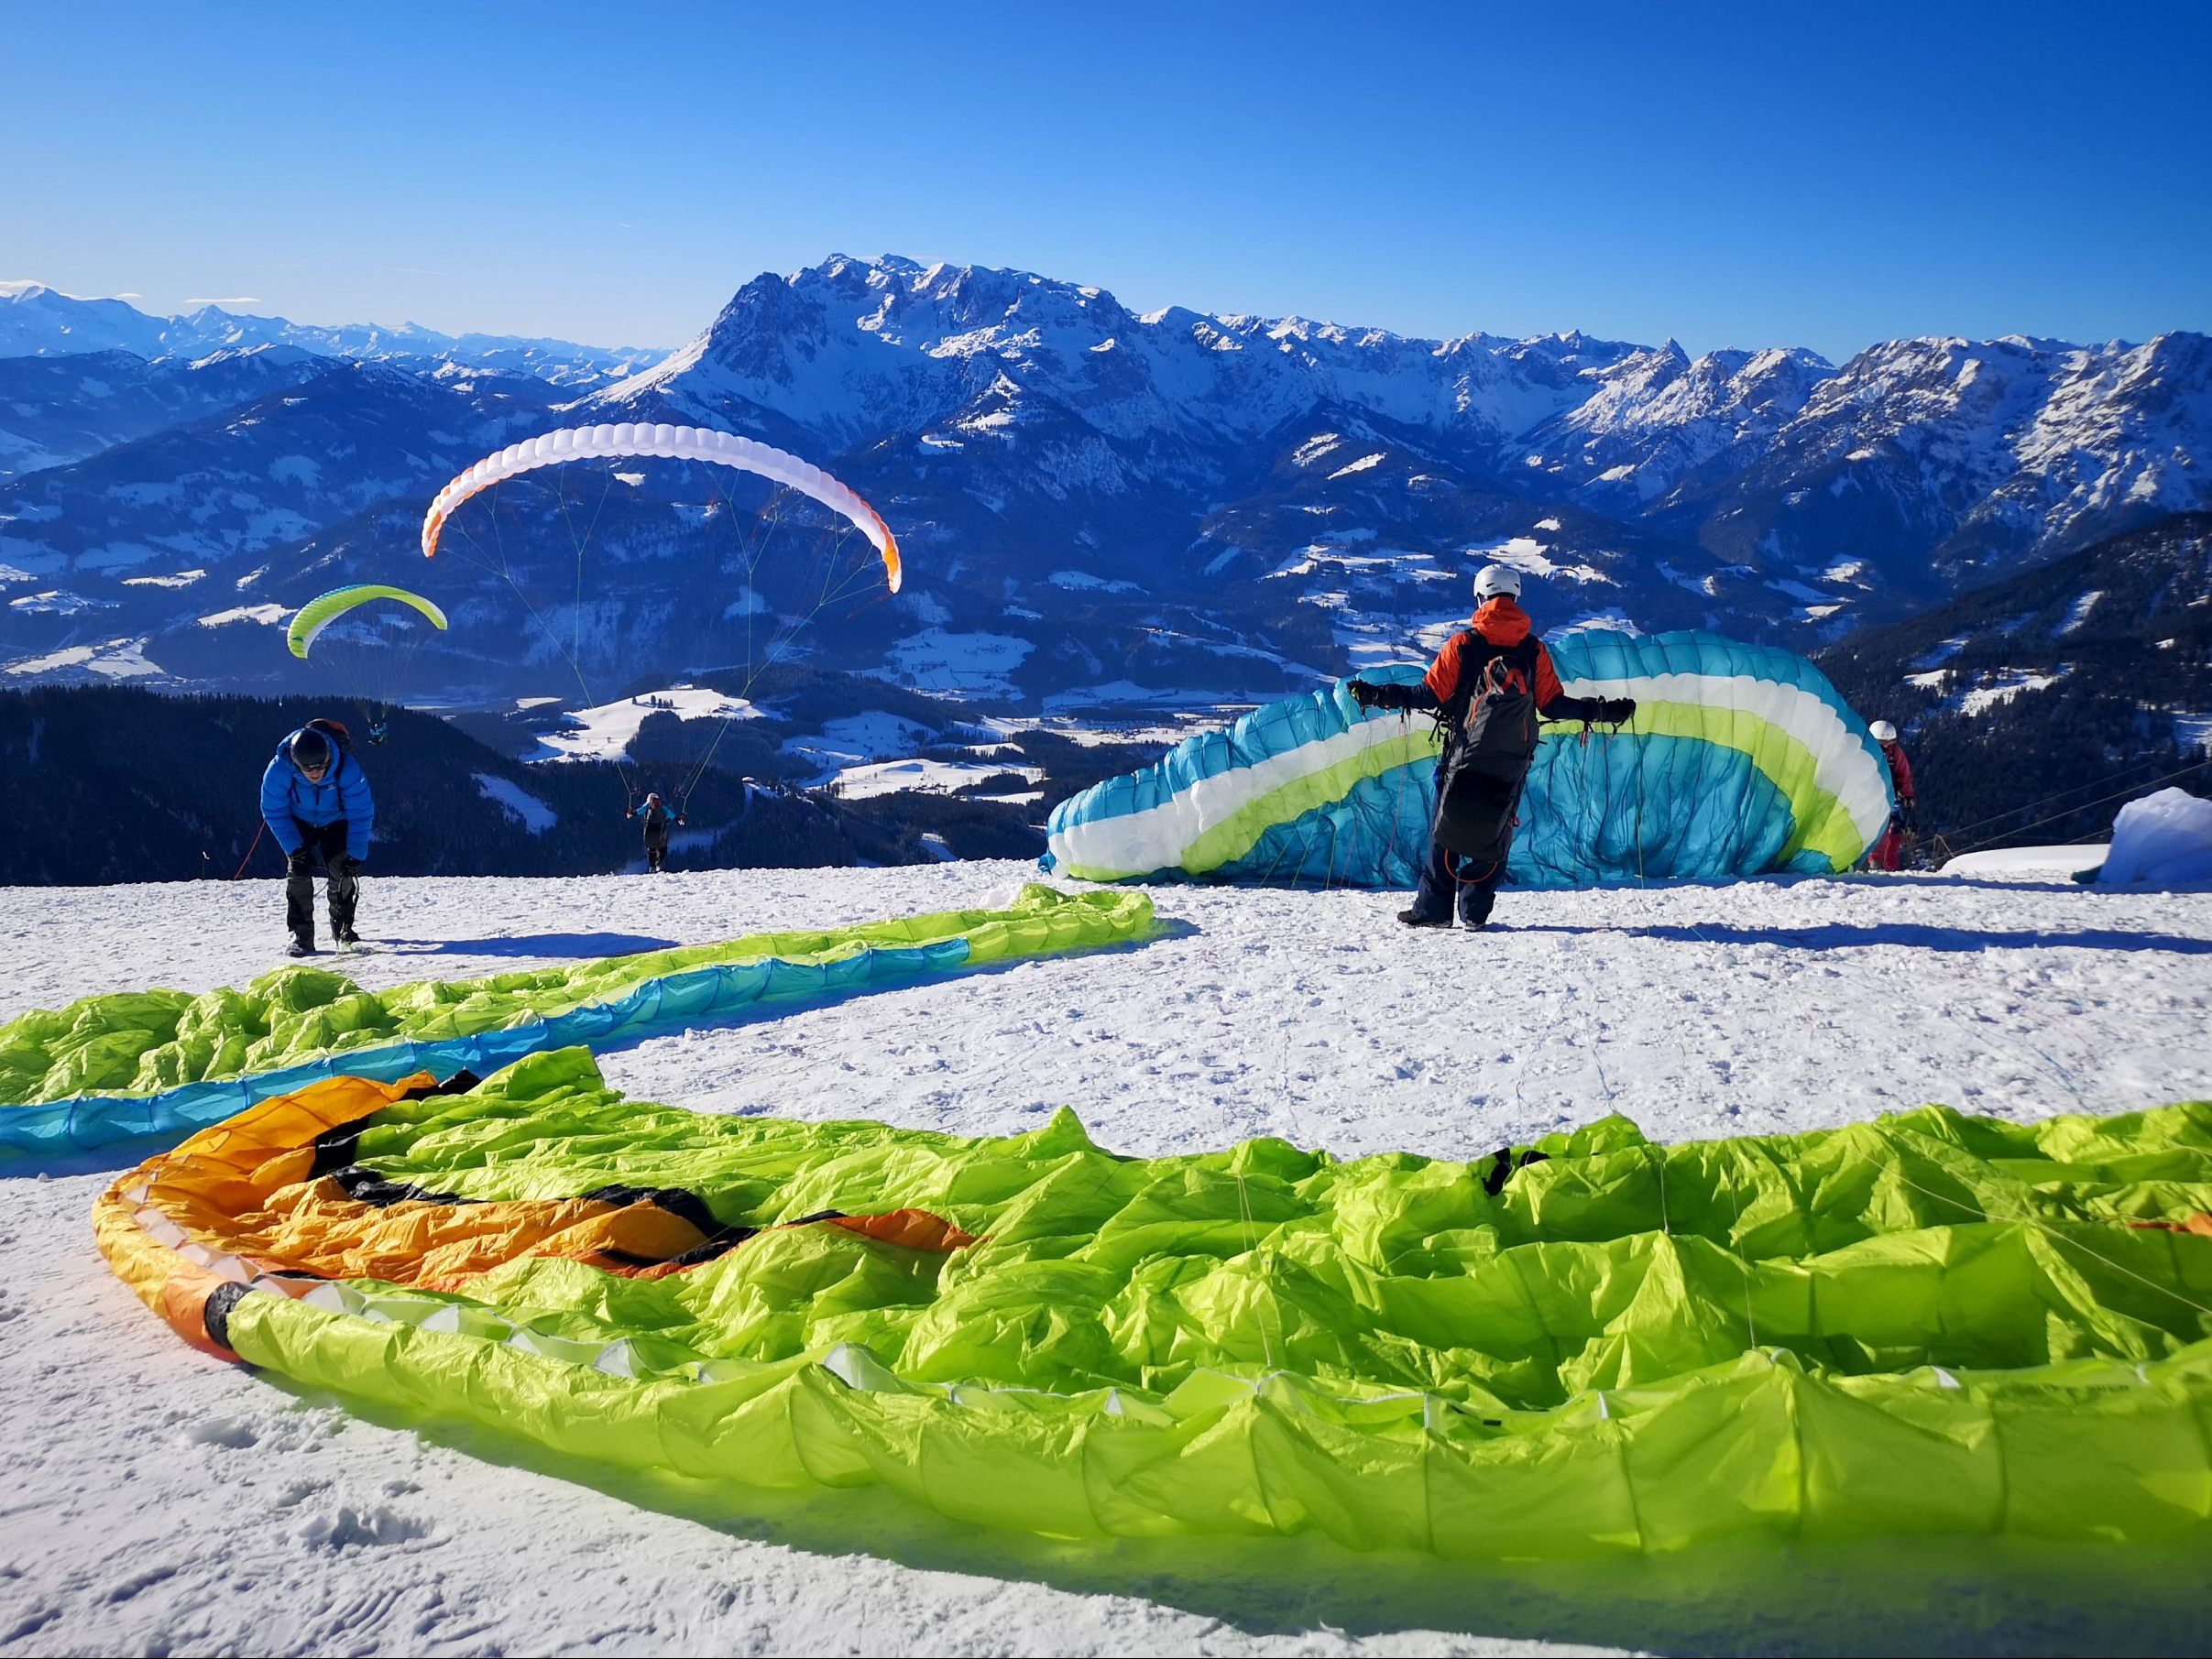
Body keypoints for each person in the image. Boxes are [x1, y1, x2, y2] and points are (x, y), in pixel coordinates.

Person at [1348, 565, 1634, 929]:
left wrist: (1377, 694)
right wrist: (1603, 711)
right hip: (1513, 759)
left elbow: (1429, 695)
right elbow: (1553, 704)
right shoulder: (1533, 650)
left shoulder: (1463, 644)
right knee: (1497, 827)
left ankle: (1434, 909)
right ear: (1515, 597)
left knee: (1446, 828)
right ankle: (1475, 911)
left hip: (1463, 753)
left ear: (1481, 597)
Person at [259, 718, 374, 955]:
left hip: (337, 821)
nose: (315, 773)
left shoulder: (347, 768)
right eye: (308, 768)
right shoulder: (280, 769)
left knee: (343, 872)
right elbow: (273, 810)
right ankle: (301, 936)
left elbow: (361, 813)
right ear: (296, 763)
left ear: (329, 758)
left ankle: (343, 931)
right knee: (298, 872)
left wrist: (356, 855)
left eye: (320, 767)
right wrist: (295, 849)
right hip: (298, 821)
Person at [1866, 719, 1918, 871]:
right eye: (1883, 742)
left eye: (1890, 742)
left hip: (1894, 796)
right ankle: (1876, 861)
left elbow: (1904, 774)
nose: (1887, 746)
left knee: (1896, 830)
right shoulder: (1866, 752)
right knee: (1879, 831)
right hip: (1873, 796)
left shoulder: (1896, 754)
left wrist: (1908, 796)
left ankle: (1891, 866)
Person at [629, 791, 684, 873]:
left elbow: (639, 811)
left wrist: (631, 813)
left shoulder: (647, 806)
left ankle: (652, 867)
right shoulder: (663, 808)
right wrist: (679, 819)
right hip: (660, 832)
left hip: (649, 832)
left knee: (651, 849)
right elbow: (672, 816)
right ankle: (658, 864)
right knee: (662, 849)